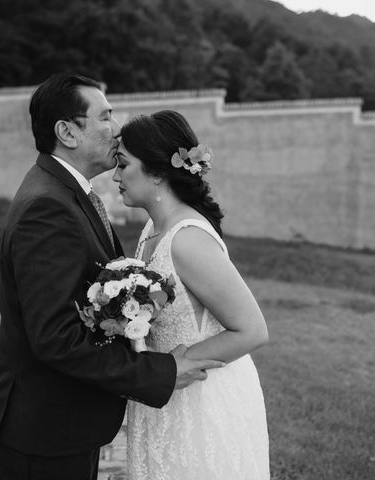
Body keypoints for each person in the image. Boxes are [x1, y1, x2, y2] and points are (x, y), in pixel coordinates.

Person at [0, 75, 225, 480]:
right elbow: (56, 338)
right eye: (105, 116)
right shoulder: (48, 207)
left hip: (65, 421)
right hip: (46, 429)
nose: (116, 128)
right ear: (67, 132)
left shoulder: (68, 194)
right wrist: (160, 371)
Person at [112, 110, 270, 479]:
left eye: (123, 164)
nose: (115, 175)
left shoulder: (188, 240)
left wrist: (169, 368)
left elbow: (252, 330)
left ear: (156, 171)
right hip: (163, 395)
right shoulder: (153, 227)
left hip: (202, 401)